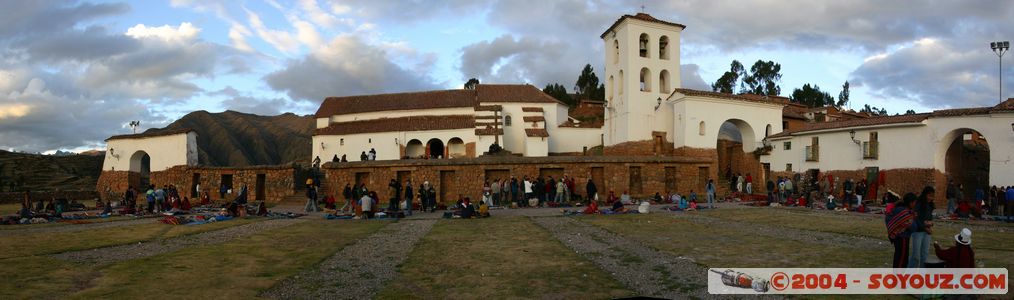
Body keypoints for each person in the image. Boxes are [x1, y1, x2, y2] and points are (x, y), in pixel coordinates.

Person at [886, 193, 917, 268]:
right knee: (902, 260)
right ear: (910, 203)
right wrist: (913, 218)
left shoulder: (898, 209)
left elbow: (889, 220)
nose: (915, 205)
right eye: (914, 202)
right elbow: (913, 227)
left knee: (898, 258)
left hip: (898, 237)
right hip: (902, 237)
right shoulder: (904, 213)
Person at [909, 186, 935, 268]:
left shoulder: (930, 205)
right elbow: (916, 218)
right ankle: (910, 272)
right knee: (916, 255)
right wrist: (924, 227)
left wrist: (930, 223)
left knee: (925, 255)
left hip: (926, 232)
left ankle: (922, 273)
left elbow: (929, 217)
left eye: (932, 196)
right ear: (925, 194)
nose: (931, 198)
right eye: (929, 195)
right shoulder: (919, 203)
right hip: (918, 232)